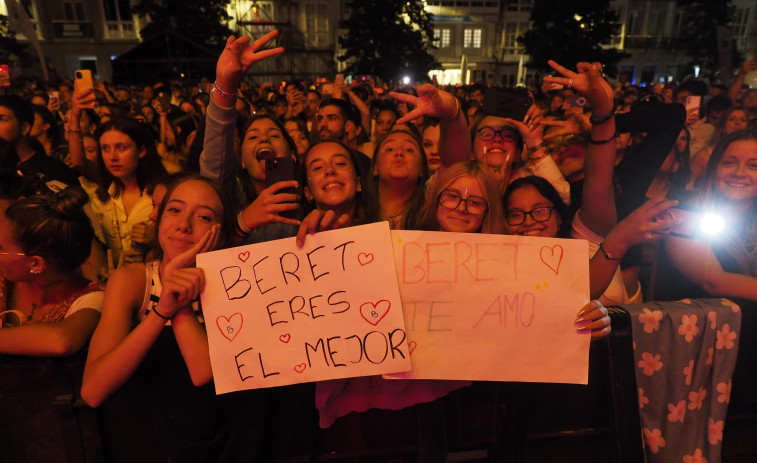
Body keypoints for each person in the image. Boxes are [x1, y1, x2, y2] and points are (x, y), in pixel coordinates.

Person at [81, 174, 233, 407]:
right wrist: (162, 311)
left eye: (204, 216)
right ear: (159, 219)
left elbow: (202, 373)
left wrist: (176, 285)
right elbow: (93, 392)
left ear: (221, 233)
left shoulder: (233, 283)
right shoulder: (133, 281)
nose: (184, 225)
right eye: (174, 210)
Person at [0, 187, 103, 355]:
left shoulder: (92, 300)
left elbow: (62, 340)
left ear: (35, 264)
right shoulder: (5, 277)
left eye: (1, 248)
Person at [662, 129, 757, 302]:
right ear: (713, 169)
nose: (739, 173)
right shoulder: (683, 217)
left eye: (753, 166)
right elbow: (714, 282)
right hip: (701, 326)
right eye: (729, 163)